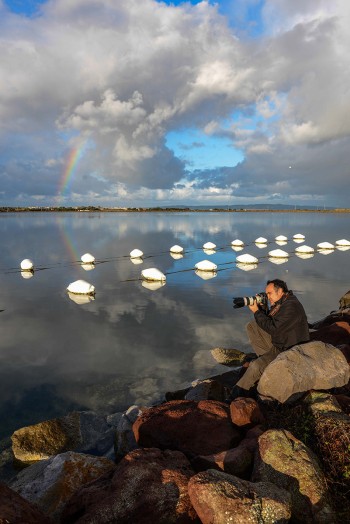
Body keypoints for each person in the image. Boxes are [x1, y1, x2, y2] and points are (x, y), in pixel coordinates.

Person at [232, 279, 310, 396]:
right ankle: (266, 360)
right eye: (267, 294)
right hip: (282, 340)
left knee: (255, 366)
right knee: (252, 326)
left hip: (289, 349)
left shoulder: (291, 306)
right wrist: (263, 308)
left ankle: (236, 393)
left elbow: (273, 328)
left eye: (269, 293)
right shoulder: (284, 301)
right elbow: (271, 320)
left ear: (280, 291)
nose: (268, 297)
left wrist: (257, 311)